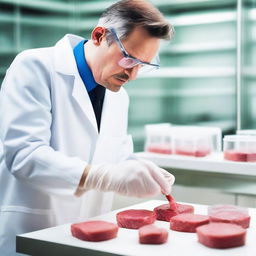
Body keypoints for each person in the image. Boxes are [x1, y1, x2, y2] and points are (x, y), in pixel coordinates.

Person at [0, 0, 175, 255]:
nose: (133, 75)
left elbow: (115, 156)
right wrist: (98, 177)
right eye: (129, 59)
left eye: (143, 66)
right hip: (33, 230)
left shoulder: (118, 94)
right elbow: (24, 156)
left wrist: (138, 167)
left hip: (90, 235)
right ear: (99, 35)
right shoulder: (35, 66)